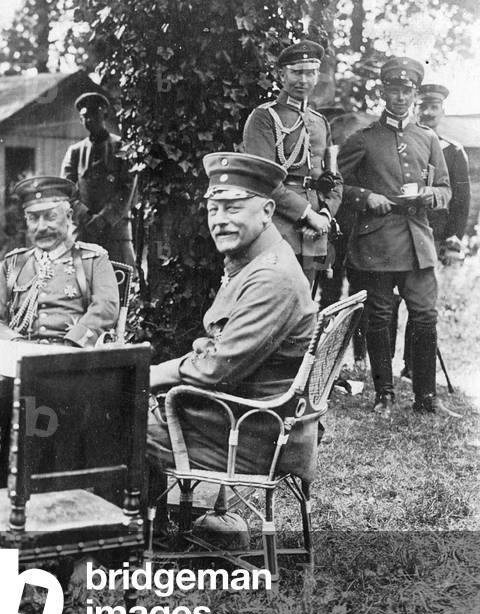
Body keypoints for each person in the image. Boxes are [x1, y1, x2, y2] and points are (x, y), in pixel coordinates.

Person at [146, 152, 318, 499]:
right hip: (244, 417)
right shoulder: (255, 261)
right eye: (213, 209)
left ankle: (133, 524)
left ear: (267, 211)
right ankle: (164, 520)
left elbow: (215, 370)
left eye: (233, 208)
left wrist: (149, 375)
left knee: (112, 417)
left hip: (250, 433)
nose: (220, 221)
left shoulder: (272, 277)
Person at [0, 176, 120, 495]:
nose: (42, 227)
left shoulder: (93, 259)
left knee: (36, 412)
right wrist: (12, 343)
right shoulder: (14, 264)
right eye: (33, 218)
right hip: (15, 365)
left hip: (66, 371)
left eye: (50, 216)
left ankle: (23, 489)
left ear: (69, 216)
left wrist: (69, 343)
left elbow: (106, 307)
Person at [338, 57, 454, 416]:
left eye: (407, 90)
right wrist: (365, 197)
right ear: (383, 92)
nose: (401, 97)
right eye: (394, 90)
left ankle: (426, 397)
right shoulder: (364, 139)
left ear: (415, 94)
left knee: (425, 316)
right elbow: (337, 185)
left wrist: (432, 195)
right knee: (379, 318)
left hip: (418, 241)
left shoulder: (428, 138)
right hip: (377, 242)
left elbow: (446, 188)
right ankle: (384, 394)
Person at [241, 39, 343, 282]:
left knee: (305, 299)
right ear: (281, 75)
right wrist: (307, 214)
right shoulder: (264, 117)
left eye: (310, 73)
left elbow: (335, 179)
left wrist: (325, 215)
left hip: (315, 231)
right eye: (297, 72)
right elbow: (263, 179)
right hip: (277, 226)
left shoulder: (320, 121)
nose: (303, 80)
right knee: (275, 296)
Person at [396, 83, 472, 379]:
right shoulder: (400, 144)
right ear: (414, 108)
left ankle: (412, 366)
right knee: (389, 298)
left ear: (443, 111)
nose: (427, 112)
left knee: (422, 303)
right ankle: (380, 366)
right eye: (422, 106)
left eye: (433, 107)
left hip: (432, 236)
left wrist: (453, 239)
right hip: (398, 232)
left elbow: (461, 201)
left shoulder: (453, 151)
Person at [61, 92, 137, 269]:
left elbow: (127, 188)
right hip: (84, 232)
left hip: (115, 232)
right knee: (78, 280)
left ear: (105, 114)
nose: (89, 120)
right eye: (85, 116)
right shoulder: (75, 152)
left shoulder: (121, 147)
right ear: (81, 120)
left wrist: (104, 218)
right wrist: (85, 216)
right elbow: (66, 190)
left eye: (94, 114)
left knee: (120, 278)